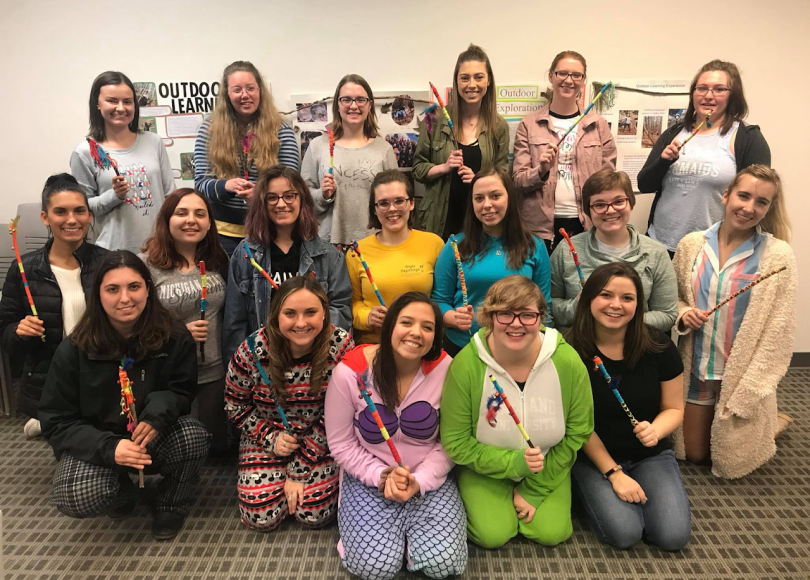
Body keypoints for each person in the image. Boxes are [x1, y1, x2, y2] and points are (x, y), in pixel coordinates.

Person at [39, 251, 209, 540]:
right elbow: (56, 422)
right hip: (101, 442)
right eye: (112, 289)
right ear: (98, 295)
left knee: (194, 436)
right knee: (75, 495)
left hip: (151, 434)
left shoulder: (174, 335)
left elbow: (181, 390)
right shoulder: (74, 349)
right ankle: (120, 491)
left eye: (134, 287)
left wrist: (157, 414)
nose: (125, 298)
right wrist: (110, 448)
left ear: (147, 289)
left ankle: (171, 503)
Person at [440, 275, 592, 548]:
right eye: (505, 314)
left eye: (527, 315)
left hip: (547, 465)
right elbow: (456, 442)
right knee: (492, 536)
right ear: (489, 317)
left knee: (552, 533)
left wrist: (534, 490)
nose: (516, 324)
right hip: (483, 468)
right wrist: (514, 464)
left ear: (541, 318)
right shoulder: (466, 365)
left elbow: (579, 431)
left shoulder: (567, 361)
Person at [325, 292, 467, 579]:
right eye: (407, 322)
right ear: (389, 325)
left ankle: (409, 542)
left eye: (427, 327)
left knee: (444, 565)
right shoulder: (349, 372)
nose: (416, 333)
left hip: (429, 478)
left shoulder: (447, 370)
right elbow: (341, 444)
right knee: (376, 569)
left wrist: (422, 480)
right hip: (368, 478)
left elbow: (451, 442)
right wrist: (380, 475)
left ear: (435, 336)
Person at [672, 165, 796, 479]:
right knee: (695, 454)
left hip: (737, 374)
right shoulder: (692, 245)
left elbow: (778, 332)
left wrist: (752, 390)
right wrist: (684, 313)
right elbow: (671, 297)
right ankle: (768, 422)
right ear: (726, 195)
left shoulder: (777, 256)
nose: (749, 207)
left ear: (768, 208)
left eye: (761, 202)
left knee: (731, 458)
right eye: (743, 196)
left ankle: (768, 423)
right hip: (699, 367)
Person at [566, 262, 690, 551]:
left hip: (649, 454)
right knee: (625, 533)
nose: (616, 305)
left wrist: (656, 430)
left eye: (627, 298)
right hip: (594, 456)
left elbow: (674, 408)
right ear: (589, 299)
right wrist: (614, 474)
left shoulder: (660, 347)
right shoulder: (569, 351)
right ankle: (582, 490)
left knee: (672, 537)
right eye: (606, 295)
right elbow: (576, 426)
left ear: (639, 304)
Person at [225, 276, 353, 531]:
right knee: (261, 517)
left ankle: (297, 485)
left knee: (315, 515)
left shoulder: (341, 346)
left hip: (322, 436)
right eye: (290, 313)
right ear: (275, 315)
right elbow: (234, 405)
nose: (301, 323)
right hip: (267, 435)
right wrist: (270, 437)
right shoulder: (252, 350)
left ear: (325, 313)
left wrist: (299, 470)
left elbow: (342, 416)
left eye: (311, 312)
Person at [0, 174, 108, 437]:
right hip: (50, 378)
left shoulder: (108, 263)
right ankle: (52, 420)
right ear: (45, 217)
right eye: (60, 212)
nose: (72, 219)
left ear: (89, 215)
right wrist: (18, 331)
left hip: (101, 373)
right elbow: (5, 331)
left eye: (79, 211)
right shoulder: (26, 269)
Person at [640, 60, 771, 256]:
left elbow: (758, 200)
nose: (708, 95)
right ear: (693, 94)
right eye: (702, 88)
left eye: (719, 89)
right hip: (661, 245)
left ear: (732, 96)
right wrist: (664, 161)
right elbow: (645, 185)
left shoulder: (747, 138)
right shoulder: (673, 133)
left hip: (712, 249)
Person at [223, 165, 352, 363]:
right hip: (263, 361)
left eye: (289, 196)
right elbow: (235, 321)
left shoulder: (329, 256)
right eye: (272, 197)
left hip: (316, 360)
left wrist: (310, 344)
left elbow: (340, 310)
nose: (281, 204)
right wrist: (239, 368)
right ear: (262, 203)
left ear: (302, 199)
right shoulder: (245, 255)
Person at [139, 189, 232, 452]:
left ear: (209, 223)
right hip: (168, 374)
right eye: (182, 213)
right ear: (167, 219)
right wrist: (178, 332)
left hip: (214, 371)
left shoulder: (218, 260)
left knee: (217, 450)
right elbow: (135, 323)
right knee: (178, 447)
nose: (191, 220)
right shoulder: (145, 265)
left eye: (200, 214)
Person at [432, 167, 551, 356]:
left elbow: (544, 306)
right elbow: (439, 301)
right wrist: (453, 317)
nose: (487, 205)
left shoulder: (534, 246)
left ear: (510, 198)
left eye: (495, 196)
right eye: (479, 198)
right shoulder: (455, 246)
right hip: (464, 347)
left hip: (517, 348)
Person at [512, 51, 617, 252]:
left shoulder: (597, 124)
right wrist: (541, 171)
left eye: (576, 75)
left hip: (586, 223)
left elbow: (608, 181)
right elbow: (518, 180)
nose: (569, 80)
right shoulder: (529, 124)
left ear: (583, 80)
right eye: (562, 73)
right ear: (551, 76)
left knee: (580, 282)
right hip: (539, 229)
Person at [550, 169, 677, 331]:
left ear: (630, 203)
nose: (610, 210)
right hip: (577, 350)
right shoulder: (566, 250)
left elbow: (667, 314)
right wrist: (579, 307)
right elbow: (549, 306)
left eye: (618, 202)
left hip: (634, 348)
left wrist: (620, 318)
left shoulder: (655, 253)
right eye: (600, 205)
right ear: (588, 210)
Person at [194, 61, 299, 256]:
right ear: (227, 94)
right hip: (221, 235)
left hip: (269, 230)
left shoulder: (281, 130)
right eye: (237, 89)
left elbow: (292, 183)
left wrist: (260, 195)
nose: (245, 95)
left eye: (250, 88)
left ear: (260, 90)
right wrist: (227, 186)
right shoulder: (209, 130)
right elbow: (200, 184)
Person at [70, 71, 175, 252]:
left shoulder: (153, 141)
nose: (121, 108)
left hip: (159, 249)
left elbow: (170, 195)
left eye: (127, 101)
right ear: (97, 104)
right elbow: (83, 210)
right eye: (112, 101)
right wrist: (114, 195)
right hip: (113, 252)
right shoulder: (85, 152)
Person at [413, 44, 510, 239]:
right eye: (464, 78)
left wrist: (479, 179)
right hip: (438, 219)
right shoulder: (433, 118)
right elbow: (417, 169)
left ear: (489, 80)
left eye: (479, 77)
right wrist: (444, 167)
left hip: (482, 220)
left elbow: (504, 178)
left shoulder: (498, 126)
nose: (471, 85)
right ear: (456, 81)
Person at [347, 170, 444, 344]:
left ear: (412, 203)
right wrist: (367, 317)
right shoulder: (357, 252)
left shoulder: (434, 244)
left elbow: (442, 299)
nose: (392, 209)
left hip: (420, 344)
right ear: (375, 209)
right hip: (374, 344)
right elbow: (351, 304)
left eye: (399, 201)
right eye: (383, 203)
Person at [301, 74, 397, 247]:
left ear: (370, 105)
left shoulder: (384, 149)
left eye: (361, 100)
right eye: (346, 99)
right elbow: (302, 201)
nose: (354, 106)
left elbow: (397, 200)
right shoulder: (318, 146)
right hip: (328, 244)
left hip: (374, 244)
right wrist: (323, 195)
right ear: (337, 104)